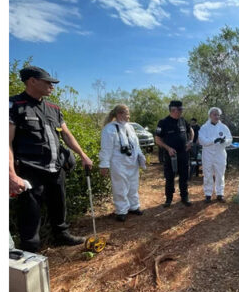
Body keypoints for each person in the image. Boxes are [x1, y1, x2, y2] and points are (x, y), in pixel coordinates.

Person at [9, 65, 93, 252]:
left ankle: (61, 235)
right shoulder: (14, 105)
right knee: (30, 211)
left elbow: (67, 135)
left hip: (55, 167)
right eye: (48, 82)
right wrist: (12, 174)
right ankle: (30, 248)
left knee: (58, 203)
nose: (52, 86)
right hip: (30, 170)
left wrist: (83, 155)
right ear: (32, 81)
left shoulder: (54, 108)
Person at [99, 104, 147, 222]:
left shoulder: (129, 127)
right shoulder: (109, 129)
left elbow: (135, 145)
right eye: (127, 113)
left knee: (133, 185)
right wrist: (104, 164)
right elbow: (106, 148)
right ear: (120, 114)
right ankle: (121, 211)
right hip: (118, 164)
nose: (129, 116)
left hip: (132, 162)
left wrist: (140, 157)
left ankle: (134, 206)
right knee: (120, 187)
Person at [154, 100, 194, 207]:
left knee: (184, 177)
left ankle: (184, 197)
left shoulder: (183, 121)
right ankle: (169, 199)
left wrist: (190, 141)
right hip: (170, 155)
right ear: (173, 110)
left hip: (183, 154)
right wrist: (168, 148)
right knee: (169, 177)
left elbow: (191, 131)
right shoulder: (163, 122)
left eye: (181, 109)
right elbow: (157, 139)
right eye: (180, 109)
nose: (181, 111)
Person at [197, 107, 232, 202]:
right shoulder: (204, 128)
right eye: (214, 114)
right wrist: (213, 141)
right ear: (210, 115)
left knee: (220, 174)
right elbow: (201, 140)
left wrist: (224, 141)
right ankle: (208, 194)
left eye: (218, 115)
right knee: (207, 174)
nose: (216, 116)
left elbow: (230, 139)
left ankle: (220, 194)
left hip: (220, 154)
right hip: (207, 154)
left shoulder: (224, 127)